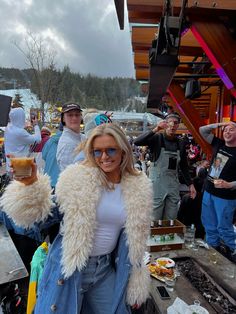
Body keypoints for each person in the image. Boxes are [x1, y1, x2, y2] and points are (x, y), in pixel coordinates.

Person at [0, 123, 153, 314]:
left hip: (105, 269)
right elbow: (42, 219)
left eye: (111, 150)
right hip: (71, 267)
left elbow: (134, 238)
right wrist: (30, 186)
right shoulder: (76, 180)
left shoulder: (138, 186)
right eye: (98, 152)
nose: (104, 157)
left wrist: (135, 276)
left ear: (123, 150)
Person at [134, 112, 196, 221]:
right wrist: (156, 129)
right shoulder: (157, 138)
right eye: (169, 122)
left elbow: (183, 166)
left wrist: (190, 185)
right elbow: (137, 141)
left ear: (178, 125)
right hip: (157, 183)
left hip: (173, 184)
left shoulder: (180, 143)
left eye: (175, 123)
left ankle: (168, 236)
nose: (172, 125)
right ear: (165, 124)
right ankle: (153, 237)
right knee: (155, 216)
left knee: (171, 217)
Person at [199, 121, 236, 262]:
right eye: (225, 130)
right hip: (209, 192)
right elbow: (202, 130)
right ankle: (213, 252)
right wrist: (220, 124)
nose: (227, 132)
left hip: (226, 197)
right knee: (209, 225)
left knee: (224, 228)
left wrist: (229, 184)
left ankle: (232, 251)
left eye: (231, 130)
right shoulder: (218, 143)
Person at [4, 107, 41, 173]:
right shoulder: (20, 132)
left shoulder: (7, 129)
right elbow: (38, 139)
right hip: (20, 169)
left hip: (10, 167)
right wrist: (36, 125)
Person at [56, 102, 85, 171]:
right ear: (63, 119)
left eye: (77, 115)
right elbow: (68, 174)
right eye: (70, 115)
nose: (74, 118)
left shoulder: (83, 137)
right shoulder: (67, 144)